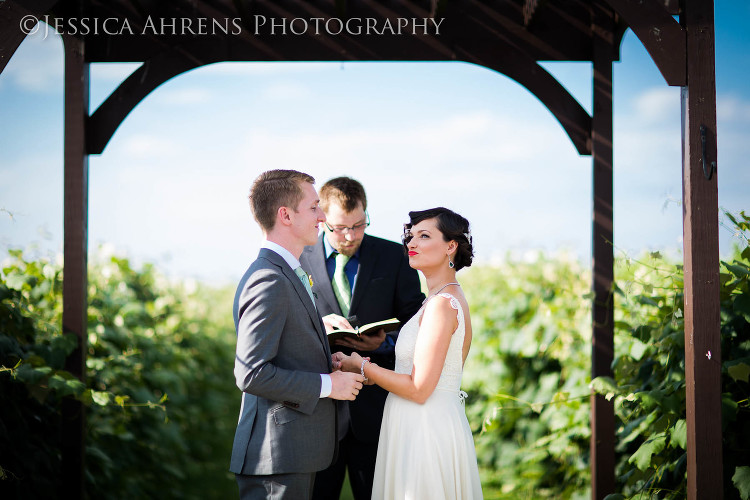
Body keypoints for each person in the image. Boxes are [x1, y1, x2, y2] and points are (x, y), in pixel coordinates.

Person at [230, 169, 365, 500]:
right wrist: (329, 385)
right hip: (277, 458)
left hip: (292, 453)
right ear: (285, 215)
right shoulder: (269, 279)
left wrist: (325, 359)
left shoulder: (287, 271)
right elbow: (251, 373)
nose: (322, 216)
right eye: (314, 207)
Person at [340, 207, 483, 500]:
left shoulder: (443, 304)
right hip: (415, 423)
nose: (411, 244)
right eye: (411, 236)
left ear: (450, 246)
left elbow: (419, 389)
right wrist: (367, 374)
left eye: (424, 236)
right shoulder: (434, 300)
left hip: (426, 430)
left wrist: (362, 367)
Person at [299, 177, 425, 500]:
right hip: (317, 409)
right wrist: (316, 326)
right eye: (340, 228)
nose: (351, 236)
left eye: (359, 225)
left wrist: (381, 344)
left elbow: (417, 321)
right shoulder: (298, 259)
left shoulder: (394, 256)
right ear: (322, 219)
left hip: (377, 411)